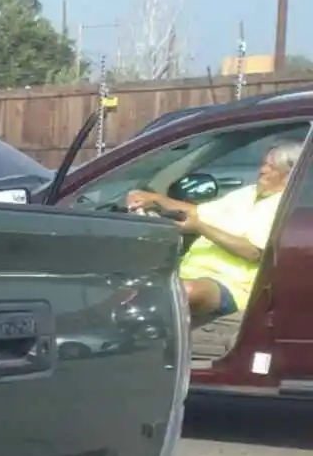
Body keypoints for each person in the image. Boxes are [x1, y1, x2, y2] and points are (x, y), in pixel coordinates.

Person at [126, 138, 303, 324]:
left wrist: (200, 227)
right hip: (189, 274)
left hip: (231, 285)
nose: (263, 170)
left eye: (272, 167)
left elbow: (253, 252)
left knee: (185, 292)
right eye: (264, 164)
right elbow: (197, 211)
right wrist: (155, 199)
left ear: (290, 173)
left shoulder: (286, 205)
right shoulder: (247, 193)